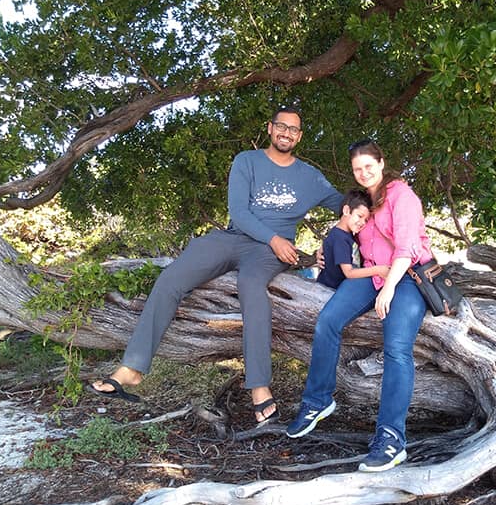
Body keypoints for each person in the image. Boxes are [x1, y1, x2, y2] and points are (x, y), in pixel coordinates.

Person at [90, 107, 343, 428]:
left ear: (299, 136)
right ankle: (133, 367)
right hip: (234, 238)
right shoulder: (246, 161)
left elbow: (347, 206)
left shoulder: (309, 176)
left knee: (251, 287)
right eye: (281, 126)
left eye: (293, 130)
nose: (286, 133)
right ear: (270, 128)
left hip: (268, 253)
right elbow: (238, 212)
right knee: (171, 278)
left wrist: (377, 201)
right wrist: (276, 238)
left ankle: (259, 386)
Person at [286, 139, 433, 472]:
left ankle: (392, 438)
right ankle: (318, 401)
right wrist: (325, 253)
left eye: (369, 166)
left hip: (406, 275)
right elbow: (347, 234)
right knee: (328, 321)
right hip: (371, 275)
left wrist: (390, 289)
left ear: (381, 163)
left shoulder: (400, 196)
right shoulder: (364, 201)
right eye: (357, 169)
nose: (364, 173)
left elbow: (407, 247)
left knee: (396, 347)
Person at [316, 189, 390, 289]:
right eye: (359, 216)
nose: (362, 222)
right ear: (346, 210)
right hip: (329, 290)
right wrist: (378, 270)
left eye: (366, 220)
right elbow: (349, 272)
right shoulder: (340, 238)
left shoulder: (345, 234)